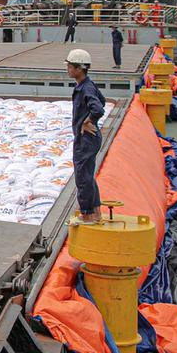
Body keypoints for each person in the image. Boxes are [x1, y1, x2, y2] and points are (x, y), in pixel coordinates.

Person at [66, 49, 105, 224]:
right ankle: (96, 212)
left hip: (86, 140)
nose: (67, 69)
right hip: (89, 139)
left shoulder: (85, 88)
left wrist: (87, 121)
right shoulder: (87, 85)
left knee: (82, 177)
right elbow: (102, 100)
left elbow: (98, 108)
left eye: (70, 66)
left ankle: (87, 215)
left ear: (79, 68)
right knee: (88, 175)